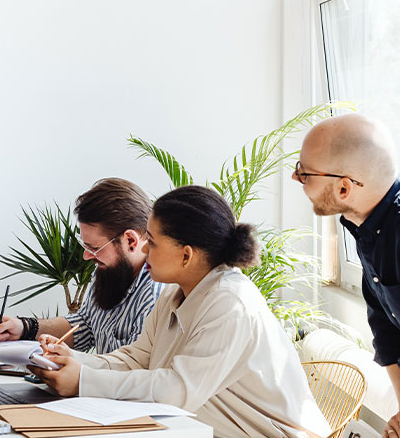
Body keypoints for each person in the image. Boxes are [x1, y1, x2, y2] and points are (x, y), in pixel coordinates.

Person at [31, 186, 331, 438]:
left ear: (186, 255)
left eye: (154, 242)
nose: (145, 249)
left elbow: (178, 391)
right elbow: (137, 359)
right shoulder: (178, 293)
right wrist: (72, 361)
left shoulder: (230, 303)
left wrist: (83, 380)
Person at [293, 113, 400, 438]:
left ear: (343, 188)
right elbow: (386, 327)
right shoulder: (366, 227)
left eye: (304, 172)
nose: (296, 179)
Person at [0, 177, 164, 353]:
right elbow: (84, 325)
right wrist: (25, 327)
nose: (87, 256)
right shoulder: (107, 270)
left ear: (131, 240)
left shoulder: (156, 296)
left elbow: (133, 372)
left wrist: (72, 371)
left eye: (94, 248)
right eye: (85, 246)